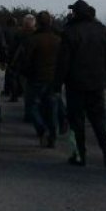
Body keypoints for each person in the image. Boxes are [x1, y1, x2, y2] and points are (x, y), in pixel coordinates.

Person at [53, 0, 106, 168]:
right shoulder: (101, 30)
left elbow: (63, 62)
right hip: (97, 83)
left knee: (77, 122)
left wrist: (56, 85)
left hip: (76, 84)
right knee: (99, 121)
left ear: (76, 14)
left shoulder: (70, 31)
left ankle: (79, 155)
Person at [21, 11, 62, 148]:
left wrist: (26, 74)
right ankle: (53, 134)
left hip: (36, 78)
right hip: (53, 78)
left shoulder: (33, 40)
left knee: (33, 106)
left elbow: (26, 60)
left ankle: (41, 128)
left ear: (37, 23)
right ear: (50, 22)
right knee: (52, 108)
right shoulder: (57, 39)